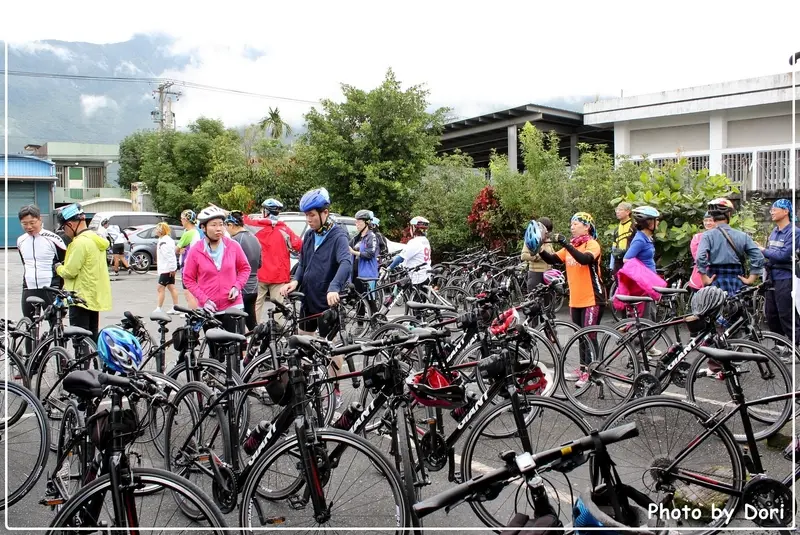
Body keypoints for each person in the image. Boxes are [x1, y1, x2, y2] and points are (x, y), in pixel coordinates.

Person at [280, 187, 352, 407]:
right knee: (304, 341)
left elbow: (346, 262)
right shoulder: (310, 235)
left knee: (331, 347)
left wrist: (334, 287)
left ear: (325, 213)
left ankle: (335, 390)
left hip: (327, 301)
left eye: (312, 215)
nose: (308, 219)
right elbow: (303, 263)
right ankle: (312, 383)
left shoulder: (338, 235)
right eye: (306, 215)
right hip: (308, 298)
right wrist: (295, 281)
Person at [539, 212, 605, 389]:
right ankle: (583, 369)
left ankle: (594, 372)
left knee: (590, 336)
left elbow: (584, 260)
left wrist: (565, 244)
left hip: (593, 298)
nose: (572, 227)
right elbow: (553, 259)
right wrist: (539, 248)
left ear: (587, 226)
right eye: (571, 224)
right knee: (580, 336)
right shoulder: (572, 246)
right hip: (576, 299)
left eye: (576, 224)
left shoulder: (592, 244)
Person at [183, 206, 251, 365]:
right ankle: (214, 377)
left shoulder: (233, 246)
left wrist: (237, 286)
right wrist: (203, 299)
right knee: (216, 353)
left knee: (236, 351)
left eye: (221, 224)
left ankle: (236, 379)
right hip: (210, 309)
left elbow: (245, 268)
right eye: (213, 225)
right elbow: (188, 278)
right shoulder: (196, 250)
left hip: (233, 307)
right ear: (203, 228)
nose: (219, 228)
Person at [53, 203, 112, 352]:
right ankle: (94, 365)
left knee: (79, 339)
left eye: (64, 227)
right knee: (92, 336)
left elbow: (70, 272)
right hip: (93, 297)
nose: (65, 232)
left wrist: (58, 267)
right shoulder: (96, 239)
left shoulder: (79, 243)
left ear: (71, 224)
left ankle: (84, 366)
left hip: (79, 297)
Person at [17, 205, 67, 349]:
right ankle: (30, 360)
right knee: (29, 326)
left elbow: (64, 263)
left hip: (50, 287)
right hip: (29, 287)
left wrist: (60, 288)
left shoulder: (54, 239)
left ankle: (60, 357)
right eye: (24, 224)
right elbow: (25, 263)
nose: (29, 227)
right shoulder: (21, 240)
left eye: (32, 222)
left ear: (40, 219)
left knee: (56, 325)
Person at [245, 198, 302, 324]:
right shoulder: (285, 229)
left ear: (265, 212)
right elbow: (299, 245)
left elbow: (241, 220)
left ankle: (253, 331)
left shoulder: (255, 226)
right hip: (279, 276)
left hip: (260, 274)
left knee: (255, 306)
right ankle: (279, 333)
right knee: (279, 308)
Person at [696, 197, 764, 295]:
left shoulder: (707, 236)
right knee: (737, 304)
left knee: (715, 304)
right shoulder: (742, 235)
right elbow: (758, 256)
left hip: (715, 279)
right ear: (728, 214)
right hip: (737, 280)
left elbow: (700, 257)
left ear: (712, 216)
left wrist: (704, 278)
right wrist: (751, 279)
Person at [759, 199, 798, 343]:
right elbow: (773, 255)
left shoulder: (794, 232)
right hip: (772, 278)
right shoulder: (774, 232)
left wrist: (763, 250)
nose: (771, 212)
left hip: (786, 277)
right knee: (771, 314)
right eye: (771, 210)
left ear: (786, 211)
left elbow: (783, 255)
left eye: (775, 209)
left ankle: (795, 346)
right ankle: (780, 345)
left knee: (786, 314)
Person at [225, 210, 262, 331]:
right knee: (251, 322)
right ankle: (258, 341)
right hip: (254, 286)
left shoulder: (235, 240)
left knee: (237, 325)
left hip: (240, 286)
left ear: (231, 225)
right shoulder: (254, 238)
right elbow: (259, 264)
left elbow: (229, 265)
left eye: (226, 226)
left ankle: (242, 343)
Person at [622, 206, 660, 321]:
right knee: (645, 317)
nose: (658, 222)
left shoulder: (647, 238)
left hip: (650, 282)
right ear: (648, 222)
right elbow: (626, 259)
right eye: (656, 220)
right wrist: (643, 273)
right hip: (644, 284)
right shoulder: (640, 240)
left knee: (651, 314)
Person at [389, 217, 432, 292]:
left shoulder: (415, 242)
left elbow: (400, 258)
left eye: (411, 227)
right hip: (425, 275)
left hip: (417, 278)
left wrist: (389, 268)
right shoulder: (425, 241)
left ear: (414, 228)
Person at [349, 209, 379, 315]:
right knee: (359, 300)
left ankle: (376, 320)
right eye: (356, 221)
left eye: (359, 221)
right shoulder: (356, 238)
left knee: (370, 300)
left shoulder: (372, 236)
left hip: (368, 274)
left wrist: (354, 252)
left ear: (366, 223)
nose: (356, 224)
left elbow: (370, 253)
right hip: (357, 273)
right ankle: (360, 322)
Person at [175, 209, 204, 309]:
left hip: (188, 266)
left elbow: (176, 249)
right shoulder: (200, 232)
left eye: (182, 219)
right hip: (199, 265)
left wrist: (180, 249)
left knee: (189, 293)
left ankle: (194, 314)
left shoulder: (188, 233)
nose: (181, 221)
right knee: (197, 292)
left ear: (186, 220)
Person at [521, 216, 554, 293]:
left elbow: (552, 253)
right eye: (546, 231)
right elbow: (523, 256)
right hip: (536, 273)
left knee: (548, 297)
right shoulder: (531, 239)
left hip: (548, 273)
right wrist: (539, 257)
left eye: (549, 231)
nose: (548, 233)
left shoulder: (548, 240)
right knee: (535, 297)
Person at [153, 222, 180, 315]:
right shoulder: (164, 240)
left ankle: (159, 308)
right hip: (167, 268)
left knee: (160, 288)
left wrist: (172, 268)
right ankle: (176, 307)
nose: (156, 231)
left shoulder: (164, 242)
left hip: (167, 269)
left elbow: (170, 255)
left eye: (157, 229)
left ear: (161, 231)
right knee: (171, 287)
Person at [688, 212, 716, 291]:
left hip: (717, 274)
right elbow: (698, 256)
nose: (708, 223)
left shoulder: (721, 237)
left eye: (711, 220)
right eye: (706, 220)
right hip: (700, 275)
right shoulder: (697, 237)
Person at [610, 202, 634, 276]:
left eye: (620, 210)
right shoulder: (616, 229)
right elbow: (613, 248)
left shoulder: (634, 226)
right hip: (618, 262)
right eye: (617, 209)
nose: (617, 212)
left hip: (631, 261)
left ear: (628, 212)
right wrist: (611, 266)